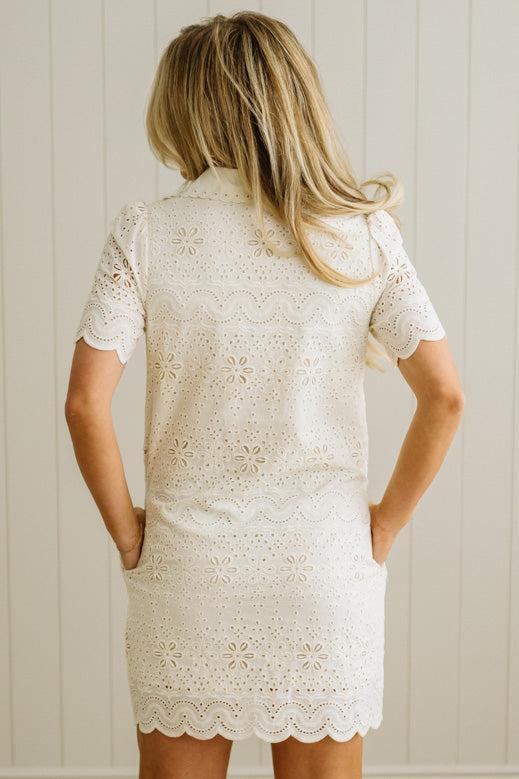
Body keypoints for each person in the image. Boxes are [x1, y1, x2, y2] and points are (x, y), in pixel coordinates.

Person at [64, 11, 464, 779]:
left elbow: (86, 404)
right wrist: (380, 527)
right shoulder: (363, 233)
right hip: (322, 568)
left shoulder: (146, 233)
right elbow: (443, 395)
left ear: (184, 109)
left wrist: (127, 536)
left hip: (188, 570)